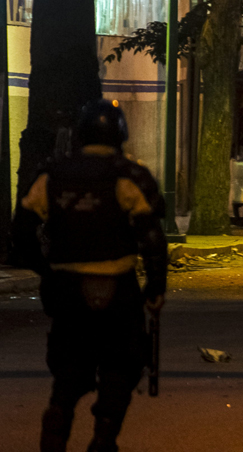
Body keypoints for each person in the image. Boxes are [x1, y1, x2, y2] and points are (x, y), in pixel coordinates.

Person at [11, 100, 167, 452]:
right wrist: (156, 286)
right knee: (122, 362)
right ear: (121, 133)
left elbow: (22, 230)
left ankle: (58, 416)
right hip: (118, 285)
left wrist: (44, 266)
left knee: (69, 363)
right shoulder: (128, 174)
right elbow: (152, 236)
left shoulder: (52, 173)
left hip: (66, 286)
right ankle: (104, 434)